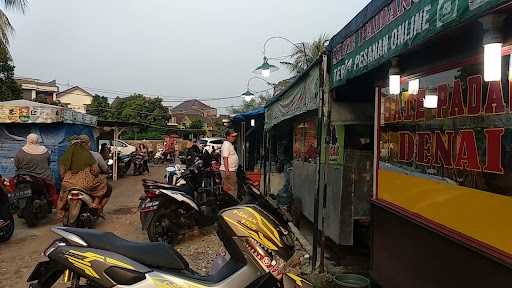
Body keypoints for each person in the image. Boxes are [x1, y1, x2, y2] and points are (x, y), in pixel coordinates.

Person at [56, 135, 109, 219]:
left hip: (68, 183)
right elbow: (95, 171)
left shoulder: (67, 155)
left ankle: (60, 211)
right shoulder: (90, 155)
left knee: (62, 194)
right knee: (102, 184)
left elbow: (62, 173)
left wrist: (66, 178)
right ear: (88, 144)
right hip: (85, 184)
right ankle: (95, 205)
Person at [14, 134, 58, 207]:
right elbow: (48, 163)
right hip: (44, 177)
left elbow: (17, 165)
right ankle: (54, 205)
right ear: (37, 140)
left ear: (28, 140)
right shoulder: (44, 151)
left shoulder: (21, 152)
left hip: (24, 177)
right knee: (51, 190)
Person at [220, 130, 239, 199]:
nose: (234, 138)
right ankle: (231, 204)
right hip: (229, 170)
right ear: (227, 137)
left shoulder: (229, 144)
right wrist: (227, 171)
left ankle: (231, 202)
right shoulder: (226, 145)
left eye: (235, 136)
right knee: (230, 189)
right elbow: (225, 158)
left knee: (231, 188)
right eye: (232, 136)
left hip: (230, 170)